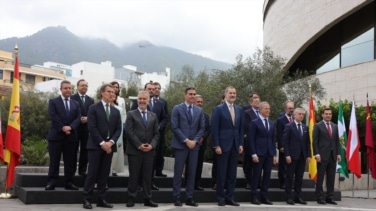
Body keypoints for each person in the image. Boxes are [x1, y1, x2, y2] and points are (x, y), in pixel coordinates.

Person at [82, 84, 122, 209]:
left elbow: (118, 129)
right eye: (109, 91)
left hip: (109, 147)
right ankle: (86, 199)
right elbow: (92, 128)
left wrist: (111, 143)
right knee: (92, 173)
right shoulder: (93, 108)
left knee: (104, 174)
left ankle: (101, 199)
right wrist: (102, 143)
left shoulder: (116, 111)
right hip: (95, 146)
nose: (112, 94)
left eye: (113, 92)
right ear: (102, 93)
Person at [171, 87, 205, 207]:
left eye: (194, 94)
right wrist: (186, 140)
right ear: (185, 95)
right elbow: (174, 127)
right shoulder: (177, 108)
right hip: (181, 145)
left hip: (194, 147)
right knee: (178, 172)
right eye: (190, 94)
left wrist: (194, 140)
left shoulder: (199, 111)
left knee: (192, 172)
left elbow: (202, 128)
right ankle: (176, 197)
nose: (192, 96)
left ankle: (189, 197)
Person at [125, 91, 160, 208]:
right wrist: (139, 145)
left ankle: (147, 199)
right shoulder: (131, 114)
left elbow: (156, 134)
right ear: (137, 100)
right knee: (134, 176)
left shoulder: (153, 115)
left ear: (148, 101)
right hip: (135, 151)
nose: (142, 101)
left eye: (144, 99)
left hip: (149, 152)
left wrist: (152, 145)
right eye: (140, 99)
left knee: (147, 176)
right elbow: (129, 132)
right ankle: (131, 198)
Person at [45, 80, 81, 191]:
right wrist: (63, 128)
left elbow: (78, 118)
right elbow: (53, 116)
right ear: (61, 89)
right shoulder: (53, 101)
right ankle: (51, 182)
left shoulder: (76, 103)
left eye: (70, 88)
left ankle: (69, 183)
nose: (68, 90)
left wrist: (70, 127)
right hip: (56, 136)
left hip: (70, 137)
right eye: (66, 88)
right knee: (54, 161)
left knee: (70, 162)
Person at [211, 86, 244, 207]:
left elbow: (240, 129)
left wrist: (241, 143)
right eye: (230, 93)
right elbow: (214, 129)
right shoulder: (219, 109)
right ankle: (220, 197)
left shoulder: (239, 109)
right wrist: (216, 145)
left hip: (235, 145)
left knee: (232, 174)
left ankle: (230, 197)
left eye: (234, 93)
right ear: (225, 95)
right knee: (222, 173)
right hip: (223, 146)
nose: (232, 95)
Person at [131, 82, 166, 190]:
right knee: (138, 165)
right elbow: (131, 119)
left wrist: (158, 127)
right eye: (149, 88)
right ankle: (138, 184)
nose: (151, 90)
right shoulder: (137, 102)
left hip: (153, 138)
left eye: (153, 89)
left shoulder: (160, 103)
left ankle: (150, 182)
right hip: (139, 139)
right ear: (145, 89)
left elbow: (164, 117)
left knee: (151, 162)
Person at [249, 101, 277, 205]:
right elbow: (251, 140)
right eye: (266, 109)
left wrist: (274, 154)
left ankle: (264, 197)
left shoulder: (271, 123)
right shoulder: (254, 122)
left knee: (267, 176)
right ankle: (254, 196)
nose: (268, 110)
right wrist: (253, 154)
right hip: (258, 153)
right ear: (260, 110)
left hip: (269, 153)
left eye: (269, 109)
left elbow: (273, 140)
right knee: (256, 176)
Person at [282, 108, 311, 205]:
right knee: (289, 177)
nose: (301, 116)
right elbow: (285, 142)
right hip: (292, 156)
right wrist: (287, 155)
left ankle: (298, 197)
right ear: (294, 115)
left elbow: (307, 143)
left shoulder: (305, 127)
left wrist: (308, 155)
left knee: (299, 177)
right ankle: (289, 197)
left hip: (302, 157)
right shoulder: (289, 126)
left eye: (303, 114)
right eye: (299, 114)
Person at [313, 108, 341, 205]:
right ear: (322, 115)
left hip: (332, 156)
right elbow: (315, 142)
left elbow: (337, 141)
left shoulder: (335, 126)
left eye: (330, 114)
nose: (328, 115)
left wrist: (338, 153)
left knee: (331, 178)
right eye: (326, 114)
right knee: (320, 178)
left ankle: (330, 197)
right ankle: (320, 197)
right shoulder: (317, 126)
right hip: (322, 156)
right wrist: (317, 154)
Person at [185, 94, 211, 191]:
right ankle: (188, 183)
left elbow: (208, 129)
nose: (200, 104)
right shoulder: (189, 114)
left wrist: (203, 137)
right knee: (190, 165)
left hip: (201, 144)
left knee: (199, 165)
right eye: (198, 102)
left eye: (201, 102)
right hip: (191, 144)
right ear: (194, 102)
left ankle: (197, 183)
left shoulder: (206, 115)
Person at [71, 79, 94, 176]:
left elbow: (93, 113)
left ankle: (82, 170)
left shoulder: (90, 100)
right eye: (82, 85)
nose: (84, 87)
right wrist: (79, 119)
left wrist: (88, 118)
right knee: (73, 150)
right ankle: (71, 170)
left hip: (86, 128)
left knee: (85, 150)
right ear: (78, 87)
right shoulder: (72, 98)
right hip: (75, 127)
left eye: (86, 85)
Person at [243, 93, 260, 189]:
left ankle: (257, 181)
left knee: (258, 163)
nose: (258, 103)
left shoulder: (261, 113)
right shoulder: (247, 113)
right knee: (248, 162)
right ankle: (248, 181)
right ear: (251, 102)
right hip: (250, 141)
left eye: (259, 101)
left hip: (260, 142)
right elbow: (247, 126)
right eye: (255, 101)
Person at [276, 100, 295, 189]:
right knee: (282, 165)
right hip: (284, 147)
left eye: (292, 108)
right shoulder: (281, 120)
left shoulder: (295, 119)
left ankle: (290, 182)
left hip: (293, 147)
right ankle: (282, 182)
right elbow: (279, 134)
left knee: (291, 166)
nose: (291, 110)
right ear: (285, 109)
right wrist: (280, 146)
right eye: (290, 108)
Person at [109, 81, 126, 176]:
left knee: (118, 150)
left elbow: (124, 114)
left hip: (119, 128)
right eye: (113, 87)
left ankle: (114, 169)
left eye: (117, 87)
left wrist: (123, 127)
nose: (115, 89)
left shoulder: (121, 100)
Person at [153, 82, 169, 177]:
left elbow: (165, 116)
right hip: (148, 131)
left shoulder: (163, 102)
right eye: (155, 88)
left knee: (160, 152)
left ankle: (159, 170)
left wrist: (160, 126)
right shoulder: (147, 100)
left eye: (159, 88)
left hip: (160, 131)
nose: (157, 90)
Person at [211, 94, 225, 190]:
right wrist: (216, 144)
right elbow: (214, 127)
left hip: (229, 143)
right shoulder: (217, 109)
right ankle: (215, 182)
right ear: (222, 100)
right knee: (217, 164)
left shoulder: (235, 110)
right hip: (219, 142)